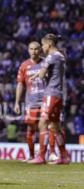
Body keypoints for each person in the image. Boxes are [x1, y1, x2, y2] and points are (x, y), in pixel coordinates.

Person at [28, 34, 70, 164]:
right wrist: (37, 74)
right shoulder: (60, 56)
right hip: (58, 94)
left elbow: (42, 75)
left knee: (43, 123)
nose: (42, 48)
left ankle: (41, 156)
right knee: (55, 125)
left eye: (43, 45)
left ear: (49, 44)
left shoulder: (51, 57)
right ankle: (64, 156)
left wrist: (37, 75)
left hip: (50, 93)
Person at [14, 41, 57, 161]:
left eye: (36, 49)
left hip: (46, 100)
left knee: (49, 126)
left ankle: (51, 153)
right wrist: (17, 102)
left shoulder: (46, 63)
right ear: (28, 50)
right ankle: (32, 155)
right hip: (31, 102)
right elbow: (20, 84)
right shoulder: (24, 65)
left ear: (40, 50)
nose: (34, 51)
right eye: (31, 49)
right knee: (30, 128)